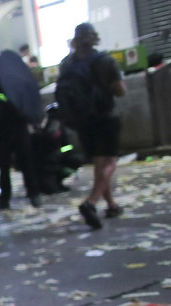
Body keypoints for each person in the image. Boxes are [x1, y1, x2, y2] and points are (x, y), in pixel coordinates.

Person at [58, 23, 126, 230]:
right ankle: (91, 203)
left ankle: (112, 205)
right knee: (110, 162)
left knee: (99, 163)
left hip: (82, 122)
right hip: (105, 117)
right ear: (94, 37)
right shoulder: (105, 61)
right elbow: (120, 91)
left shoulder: (66, 64)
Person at [0, 50, 44, 210]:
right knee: (21, 162)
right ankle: (31, 194)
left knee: (9, 164)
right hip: (16, 128)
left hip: (5, 129)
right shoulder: (14, 83)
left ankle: (9, 197)